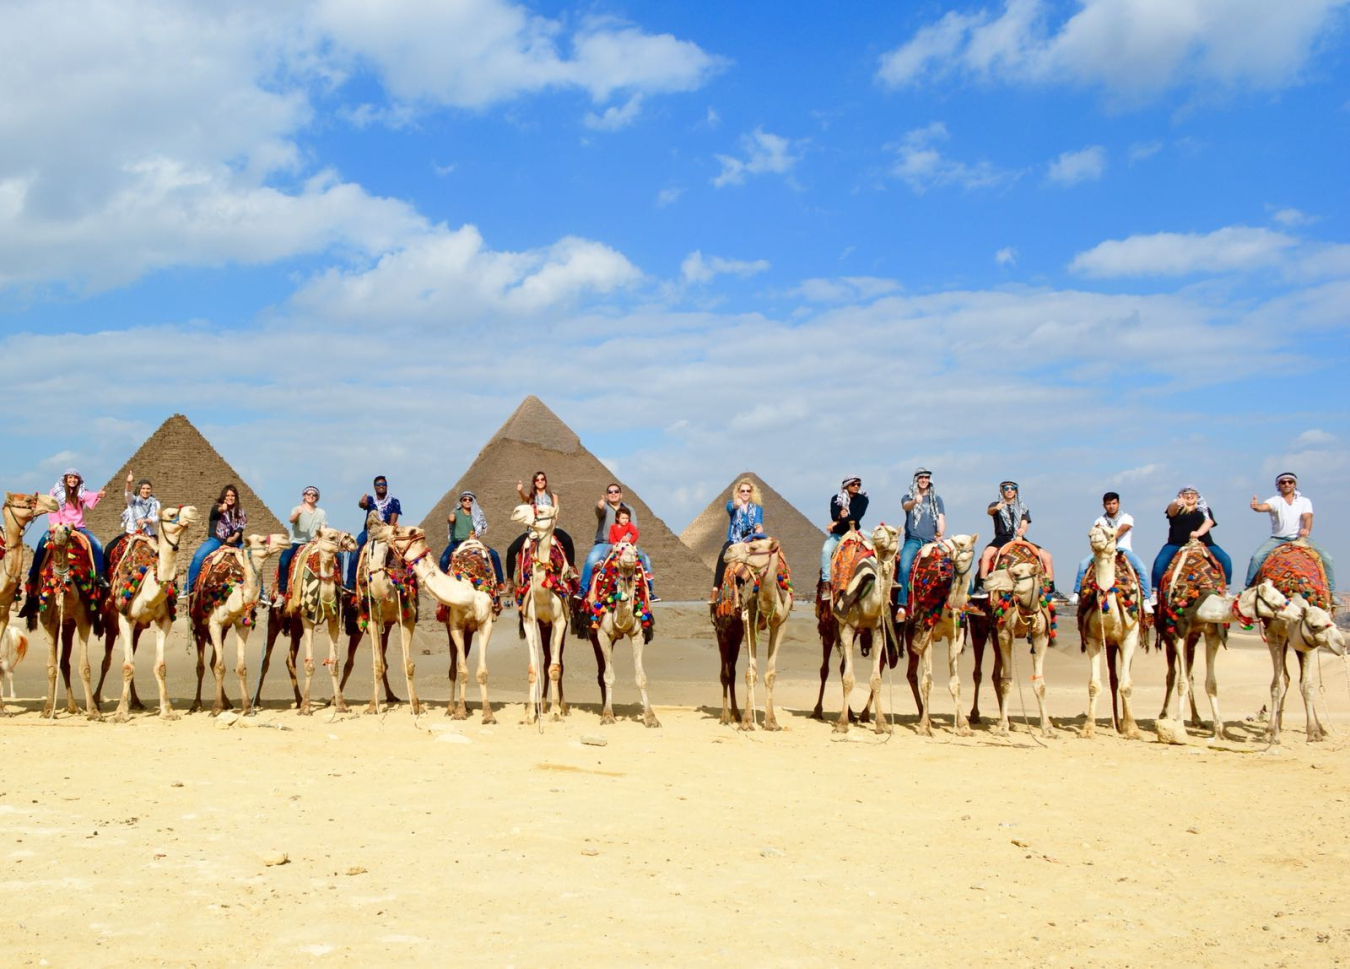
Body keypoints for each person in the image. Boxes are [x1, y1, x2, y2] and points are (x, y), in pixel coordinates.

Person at [23, 469, 109, 613]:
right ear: (65, 478)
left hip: (78, 528)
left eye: (75, 478)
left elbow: (89, 495)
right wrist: (58, 526)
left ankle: (100, 576)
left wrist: (98, 495)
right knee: (41, 545)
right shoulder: (55, 491)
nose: (73, 480)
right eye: (70, 477)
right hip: (59, 527)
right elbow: (53, 509)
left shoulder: (81, 491)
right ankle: (33, 576)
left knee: (97, 545)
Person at [1245, 473, 1336, 591]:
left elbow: (1307, 517)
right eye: (1283, 482)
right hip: (1278, 539)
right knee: (1256, 558)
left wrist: (1306, 530)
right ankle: (1249, 589)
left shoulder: (1304, 501)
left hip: (1300, 538)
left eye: (1290, 482)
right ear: (1278, 485)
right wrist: (1256, 506)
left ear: (1294, 484)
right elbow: (1264, 507)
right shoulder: (1275, 500)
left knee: (1327, 558)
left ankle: (1331, 592)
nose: (1287, 484)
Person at [1070, 492, 1153, 614]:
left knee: (1141, 568)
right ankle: (1077, 594)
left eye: (1114, 503)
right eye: (1108, 504)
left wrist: (1111, 536)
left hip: (1123, 550)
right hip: (1104, 552)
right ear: (1104, 505)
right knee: (1083, 564)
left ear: (1118, 504)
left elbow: (1124, 528)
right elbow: (1096, 533)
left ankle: (1146, 599)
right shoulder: (1100, 520)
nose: (1111, 506)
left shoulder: (1127, 518)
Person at [973, 480, 1054, 596]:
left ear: (1016, 491)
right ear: (1002, 491)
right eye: (1006, 488)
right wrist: (997, 508)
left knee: (1047, 556)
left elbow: (1024, 523)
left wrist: (1022, 530)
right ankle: (981, 586)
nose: (1010, 490)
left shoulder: (1022, 507)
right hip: (1001, 538)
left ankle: (1051, 588)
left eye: (1012, 488)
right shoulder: (996, 504)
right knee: (986, 554)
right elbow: (989, 511)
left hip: (1019, 537)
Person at [1150, 485, 1232, 594]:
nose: (1189, 496)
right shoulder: (1176, 508)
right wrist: (1176, 503)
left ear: (1197, 496)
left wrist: (1198, 533)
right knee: (1160, 563)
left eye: (1192, 494)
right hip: (1176, 543)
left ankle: (1227, 588)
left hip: (1205, 543)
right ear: (1181, 496)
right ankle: (1155, 592)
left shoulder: (1204, 510)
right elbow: (1171, 511)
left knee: (1226, 559)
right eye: (1186, 494)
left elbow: (1209, 522)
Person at [579, 483, 655, 600]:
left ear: (621, 494)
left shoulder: (629, 509)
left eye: (616, 491)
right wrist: (599, 506)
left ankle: (649, 592)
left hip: (626, 544)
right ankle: (583, 590)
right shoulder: (604, 507)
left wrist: (627, 538)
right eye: (610, 492)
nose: (613, 493)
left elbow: (633, 526)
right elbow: (599, 511)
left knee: (647, 561)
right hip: (605, 543)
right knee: (592, 559)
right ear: (607, 495)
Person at [505, 472, 575, 585]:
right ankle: (509, 582)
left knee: (567, 540)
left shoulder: (554, 496)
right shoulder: (531, 497)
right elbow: (524, 498)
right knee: (511, 550)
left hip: (551, 527)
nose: (540, 481)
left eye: (542, 479)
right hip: (534, 529)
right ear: (534, 482)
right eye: (537, 480)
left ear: (545, 481)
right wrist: (520, 490)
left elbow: (556, 513)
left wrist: (549, 525)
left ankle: (571, 568)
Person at [895, 468, 944, 622]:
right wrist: (914, 501)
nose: (924, 480)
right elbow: (906, 507)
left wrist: (940, 533)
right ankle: (902, 606)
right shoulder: (907, 497)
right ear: (916, 480)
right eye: (921, 477)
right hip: (914, 540)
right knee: (903, 566)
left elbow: (941, 519)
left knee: (953, 564)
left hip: (931, 541)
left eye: (926, 477)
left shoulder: (937, 500)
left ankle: (962, 603)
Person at [187, 484, 247, 598]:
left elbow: (240, 528)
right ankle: (188, 587)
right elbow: (217, 511)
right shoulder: (216, 508)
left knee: (253, 561)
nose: (230, 497)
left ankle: (261, 592)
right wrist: (222, 508)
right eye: (227, 495)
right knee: (198, 557)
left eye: (232, 495)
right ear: (223, 497)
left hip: (236, 542)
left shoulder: (240, 512)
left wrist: (233, 538)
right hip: (216, 540)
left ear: (236, 497)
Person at [711, 477, 765, 597]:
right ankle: (715, 588)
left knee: (769, 555)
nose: (745, 493)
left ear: (752, 493)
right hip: (735, 541)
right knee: (722, 555)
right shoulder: (732, 504)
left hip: (750, 541)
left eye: (748, 491)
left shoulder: (757, 509)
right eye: (742, 491)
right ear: (738, 492)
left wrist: (758, 527)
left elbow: (758, 521)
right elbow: (731, 508)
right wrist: (736, 504)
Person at [346, 475, 401, 589]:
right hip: (369, 531)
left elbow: (392, 522)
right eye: (379, 485)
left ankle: (403, 581)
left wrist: (387, 532)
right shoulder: (371, 500)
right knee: (354, 549)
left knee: (403, 551)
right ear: (375, 487)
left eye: (383, 484)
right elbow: (363, 505)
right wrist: (361, 502)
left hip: (386, 531)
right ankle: (350, 583)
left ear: (386, 486)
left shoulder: (394, 502)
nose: (381, 486)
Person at [438, 491, 503, 586]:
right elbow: (450, 519)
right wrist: (450, 519)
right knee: (444, 559)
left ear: (473, 501)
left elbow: (479, 529)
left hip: (472, 541)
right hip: (457, 542)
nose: (467, 501)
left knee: (495, 555)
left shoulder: (477, 514)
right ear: (461, 502)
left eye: (470, 499)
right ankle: (443, 584)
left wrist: (475, 536)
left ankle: (500, 583)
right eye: (465, 499)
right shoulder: (456, 512)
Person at [277, 486, 327, 600]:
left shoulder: (321, 512)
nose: (311, 496)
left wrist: (319, 538)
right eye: (308, 494)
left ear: (317, 498)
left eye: (314, 495)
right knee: (283, 561)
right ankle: (282, 592)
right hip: (296, 542)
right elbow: (291, 520)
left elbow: (323, 529)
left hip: (314, 543)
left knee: (336, 557)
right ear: (304, 496)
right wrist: (298, 513)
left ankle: (338, 587)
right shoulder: (297, 508)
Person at [819, 476, 868, 591]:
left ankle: (883, 576)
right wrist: (839, 518)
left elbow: (856, 518)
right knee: (826, 551)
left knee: (877, 543)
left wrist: (838, 520)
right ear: (846, 485)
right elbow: (834, 515)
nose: (856, 486)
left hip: (855, 531)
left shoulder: (863, 499)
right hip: (838, 534)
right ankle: (826, 582)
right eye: (853, 484)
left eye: (859, 484)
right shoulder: (836, 499)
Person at [121, 472, 160, 537]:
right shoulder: (132, 500)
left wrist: (146, 520)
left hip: (149, 534)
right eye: (143, 488)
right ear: (139, 489)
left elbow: (157, 517)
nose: (146, 491)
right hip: (132, 533)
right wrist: (128, 483)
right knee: (109, 547)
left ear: (151, 490)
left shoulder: (155, 503)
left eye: (148, 489)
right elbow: (128, 494)